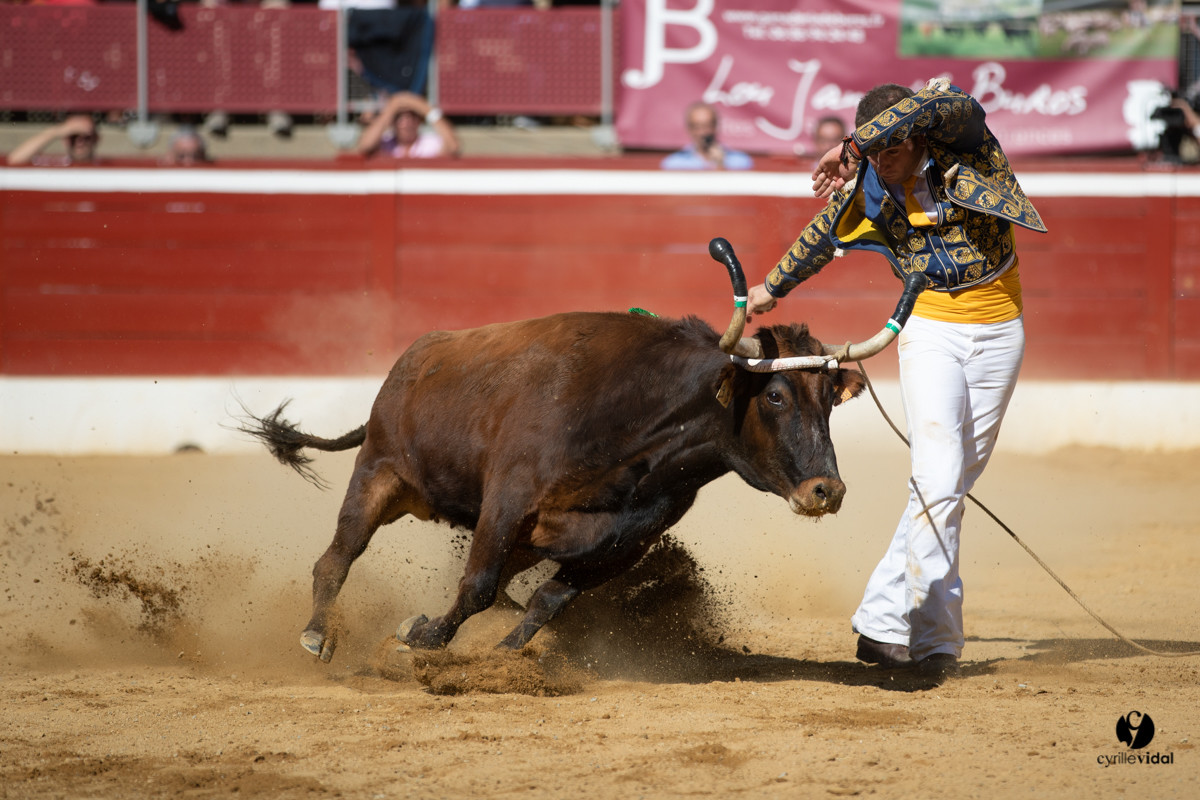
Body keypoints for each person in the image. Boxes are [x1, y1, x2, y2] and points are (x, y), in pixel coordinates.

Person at [746, 78, 1048, 681]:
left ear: (915, 136)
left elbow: (950, 103)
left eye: (891, 146)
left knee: (948, 484)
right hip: (929, 329)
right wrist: (770, 288)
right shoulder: (868, 186)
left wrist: (855, 144)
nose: (883, 159)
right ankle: (927, 639)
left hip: (1000, 332)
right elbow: (817, 238)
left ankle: (883, 624)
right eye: (874, 151)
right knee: (938, 478)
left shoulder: (967, 144)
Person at [356, 91, 460, 158]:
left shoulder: (430, 143)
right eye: (399, 117)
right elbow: (365, 146)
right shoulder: (385, 143)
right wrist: (391, 109)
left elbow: (453, 147)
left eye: (412, 117)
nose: (406, 123)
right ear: (392, 122)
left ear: (419, 121)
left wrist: (424, 107)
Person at [660, 101, 753, 171]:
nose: (702, 133)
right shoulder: (675, 163)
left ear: (715, 126)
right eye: (697, 127)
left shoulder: (740, 162)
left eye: (707, 126)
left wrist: (721, 165)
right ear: (689, 129)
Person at [7, 114, 99, 166]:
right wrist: (56, 132)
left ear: (96, 139)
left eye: (86, 137)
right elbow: (15, 160)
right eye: (73, 136)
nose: (80, 142)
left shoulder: (104, 165)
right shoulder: (56, 164)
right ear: (65, 140)